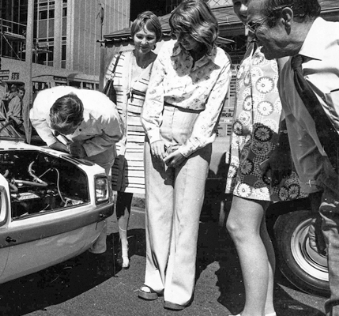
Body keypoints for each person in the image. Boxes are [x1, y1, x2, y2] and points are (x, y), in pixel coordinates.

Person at [246, 0, 339, 315]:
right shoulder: (289, 73)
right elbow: (306, 146)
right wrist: (319, 205)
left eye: (255, 24)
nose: (249, 32)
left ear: (285, 18)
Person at [138, 0, 231, 310]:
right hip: (160, 129)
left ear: (202, 30)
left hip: (195, 135)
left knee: (186, 216)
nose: (180, 39)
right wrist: (153, 136)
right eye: (176, 32)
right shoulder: (166, 51)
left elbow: (212, 115)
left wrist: (188, 148)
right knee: (157, 209)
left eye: (185, 33)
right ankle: (156, 278)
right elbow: (153, 95)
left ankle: (179, 287)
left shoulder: (221, 62)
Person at [225, 1, 307, 316]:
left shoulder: (278, 43)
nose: (242, 7)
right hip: (251, 146)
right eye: (236, 2)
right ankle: (265, 309)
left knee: (240, 226)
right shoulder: (258, 42)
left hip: (262, 146)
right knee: (255, 229)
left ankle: (253, 312)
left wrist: (260, 156)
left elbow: (274, 110)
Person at [29, 86, 123, 254]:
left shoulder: (105, 114)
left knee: (97, 195)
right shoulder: (43, 102)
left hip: (99, 146)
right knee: (65, 190)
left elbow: (116, 135)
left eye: (65, 129)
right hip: (65, 144)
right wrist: (54, 141)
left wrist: (87, 149)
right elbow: (36, 120)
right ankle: (68, 244)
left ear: (78, 122)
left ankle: (98, 248)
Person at [103, 10, 161, 270]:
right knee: (121, 194)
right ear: (132, 35)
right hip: (119, 136)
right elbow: (105, 98)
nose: (144, 41)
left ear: (157, 38)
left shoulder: (161, 64)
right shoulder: (118, 60)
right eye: (139, 35)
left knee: (152, 195)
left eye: (150, 36)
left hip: (147, 136)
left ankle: (155, 252)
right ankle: (123, 247)